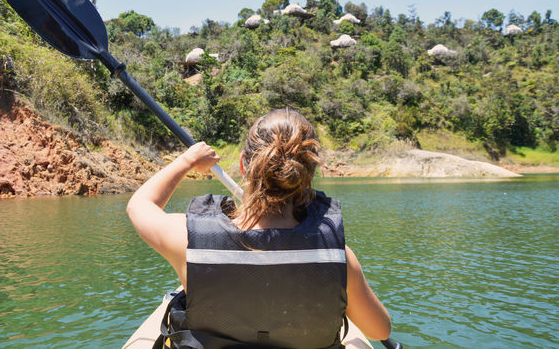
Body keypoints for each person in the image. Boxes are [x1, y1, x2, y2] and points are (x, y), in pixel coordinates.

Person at [127, 108, 391, 348]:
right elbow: (379, 330)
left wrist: (187, 161)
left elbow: (139, 205)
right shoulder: (339, 259)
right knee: (356, 337)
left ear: (243, 164)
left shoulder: (186, 240)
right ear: (308, 174)